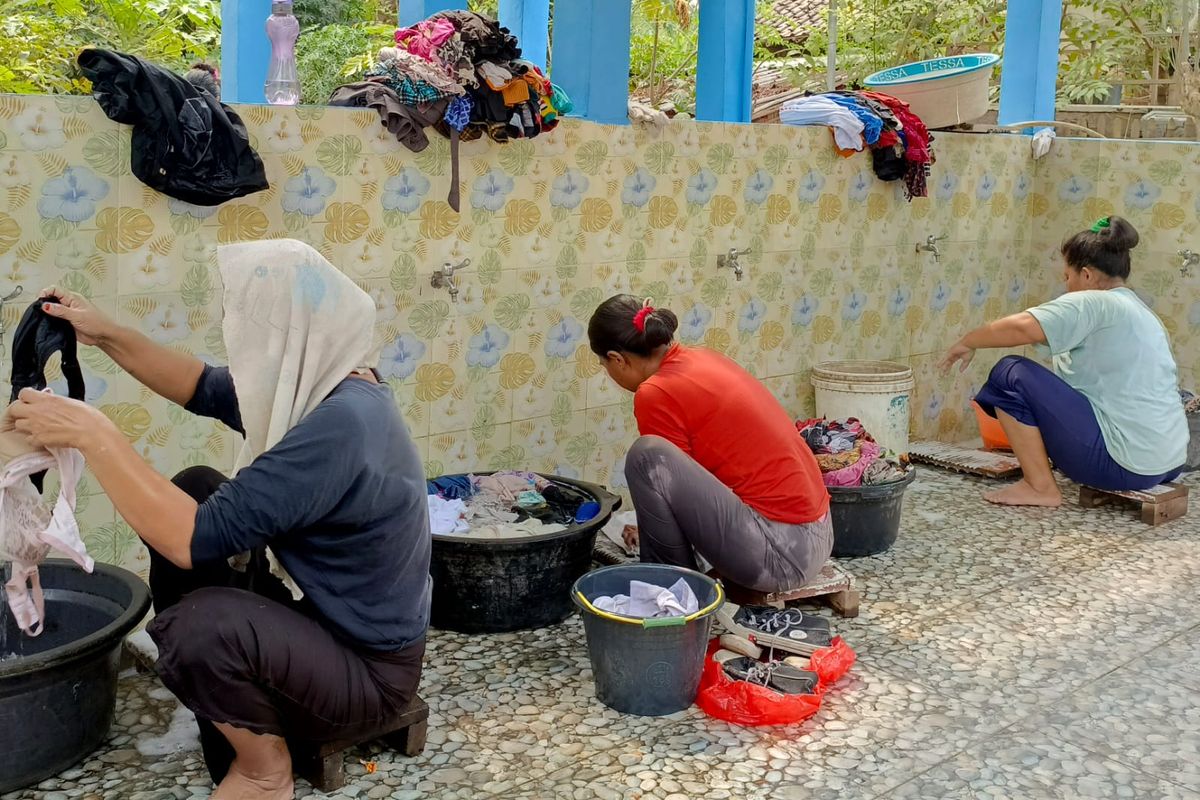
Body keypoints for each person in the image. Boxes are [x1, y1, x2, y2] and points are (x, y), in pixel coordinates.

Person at [9, 240, 431, 800]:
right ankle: (232, 697)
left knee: (197, 627)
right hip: (328, 625)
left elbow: (191, 538)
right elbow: (201, 386)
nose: (238, 335)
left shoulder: (343, 426)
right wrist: (105, 333)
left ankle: (264, 772)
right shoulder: (327, 382)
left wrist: (93, 435)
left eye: (248, 323)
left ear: (289, 329)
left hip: (370, 674)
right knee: (199, 486)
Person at [588, 295, 832, 597]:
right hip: (817, 536)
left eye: (604, 365)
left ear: (617, 359)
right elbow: (696, 486)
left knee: (645, 457)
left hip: (782, 558)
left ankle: (670, 593)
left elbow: (671, 489)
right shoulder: (701, 358)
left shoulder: (655, 392)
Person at [940, 216, 1187, 507]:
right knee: (1034, 383)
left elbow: (1022, 327)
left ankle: (1039, 487)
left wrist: (968, 341)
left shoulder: (1095, 301)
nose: (1066, 285)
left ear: (1086, 276)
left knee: (1009, 372)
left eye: (1067, 277)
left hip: (1123, 466)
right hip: (1169, 462)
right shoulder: (1142, 313)